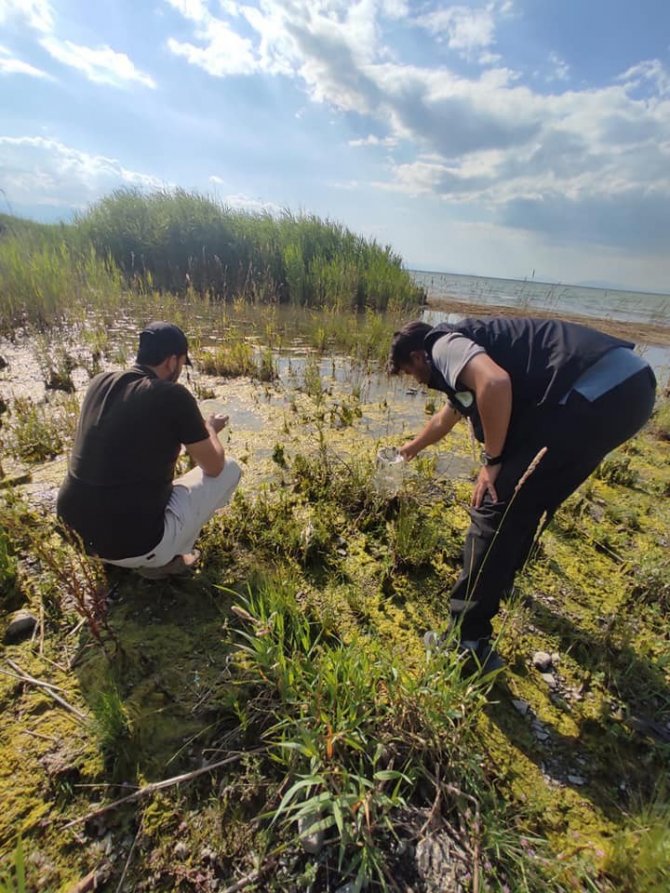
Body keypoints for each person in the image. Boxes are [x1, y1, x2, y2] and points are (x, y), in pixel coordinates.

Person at [388, 316, 656, 670]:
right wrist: (409, 450)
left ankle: (466, 643)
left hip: (594, 390)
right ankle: (498, 584)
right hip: (628, 389)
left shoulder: (443, 345)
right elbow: (448, 415)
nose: (418, 381)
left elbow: (495, 383)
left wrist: (493, 460)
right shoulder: (468, 351)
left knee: (495, 501)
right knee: (525, 498)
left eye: (411, 372)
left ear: (419, 355)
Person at [57, 321, 241, 579]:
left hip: (75, 535)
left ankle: (116, 558)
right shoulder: (172, 395)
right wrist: (209, 428)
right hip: (138, 545)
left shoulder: (98, 383)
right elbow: (214, 466)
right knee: (231, 469)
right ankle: (168, 559)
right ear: (172, 361)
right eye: (181, 363)